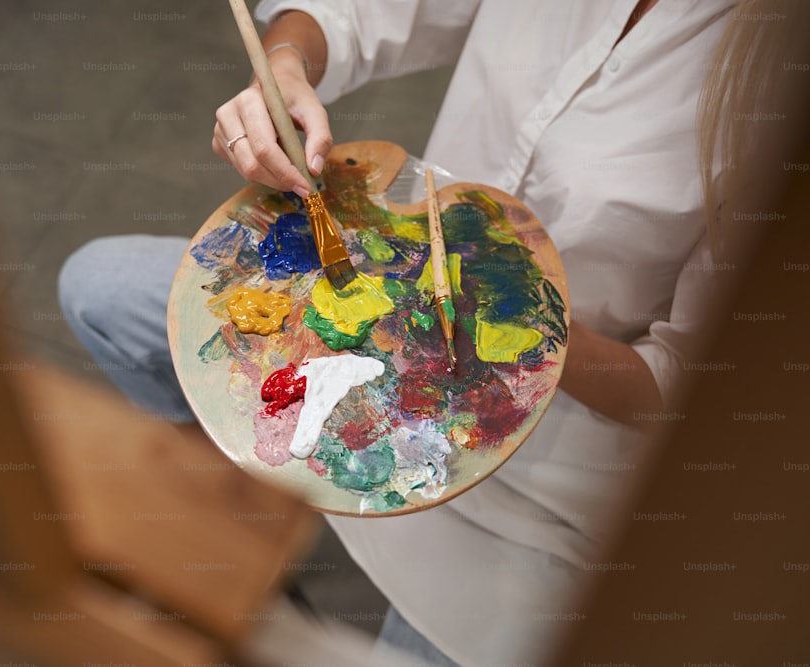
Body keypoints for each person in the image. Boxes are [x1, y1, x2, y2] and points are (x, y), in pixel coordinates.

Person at [59, 1, 804, 664]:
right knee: (101, 289)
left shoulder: (779, 82)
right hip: (374, 312)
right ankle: (251, 536)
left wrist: (524, 324)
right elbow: (359, 17)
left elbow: (683, 388)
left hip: (528, 486)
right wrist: (285, 63)